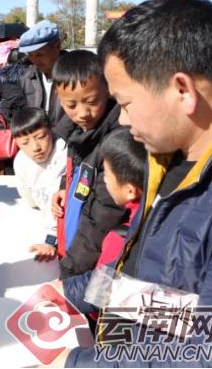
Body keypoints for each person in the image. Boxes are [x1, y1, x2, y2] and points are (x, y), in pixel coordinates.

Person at [50, 0, 212, 367]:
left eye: (125, 103)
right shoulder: (169, 158)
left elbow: (211, 352)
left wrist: (78, 363)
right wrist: (69, 292)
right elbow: (151, 291)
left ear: (183, 90)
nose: (124, 122)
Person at [50, 50, 127, 280]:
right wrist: (66, 186)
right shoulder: (76, 132)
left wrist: (69, 272)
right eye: (71, 105)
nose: (83, 113)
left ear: (107, 89)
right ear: (58, 96)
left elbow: (102, 218)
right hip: (73, 247)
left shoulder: (117, 142)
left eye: (92, 101)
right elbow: (76, 168)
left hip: (94, 266)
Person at [10, 107, 67, 261]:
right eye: (25, 143)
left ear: (51, 131)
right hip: (37, 224)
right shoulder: (20, 161)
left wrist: (50, 240)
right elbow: (30, 200)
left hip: (63, 236)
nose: (35, 147)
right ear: (16, 143)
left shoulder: (64, 155)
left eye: (41, 137)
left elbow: (58, 204)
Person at [95, 128, 145, 268]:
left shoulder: (119, 241)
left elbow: (99, 287)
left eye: (107, 175)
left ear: (130, 191)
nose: (104, 180)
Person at [17, 20, 66, 127]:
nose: (34, 61)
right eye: (30, 55)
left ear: (57, 46)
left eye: (40, 54)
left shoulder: (75, 73)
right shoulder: (28, 77)